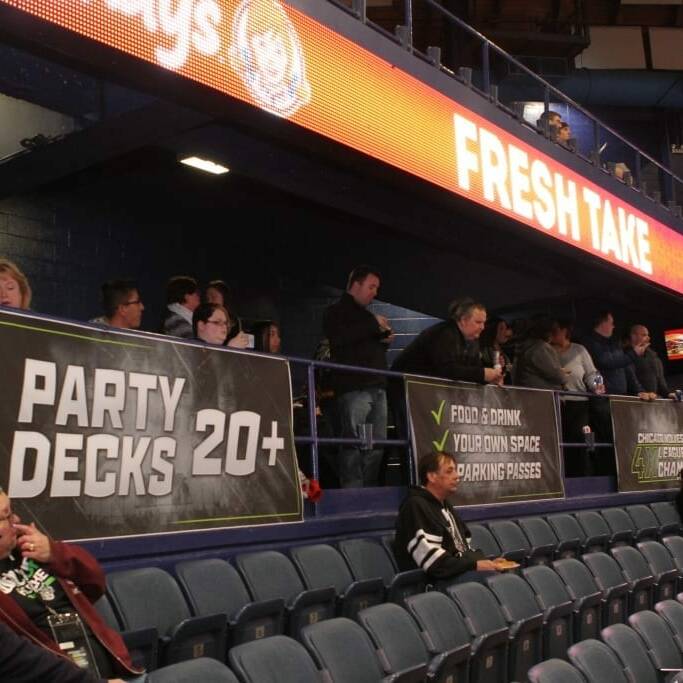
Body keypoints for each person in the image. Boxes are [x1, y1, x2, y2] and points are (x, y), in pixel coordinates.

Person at [0, 488, 142, 680]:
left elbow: (96, 584)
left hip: (116, 669)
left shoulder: (32, 548)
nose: (16, 520)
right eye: (6, 516)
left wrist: (54, 552)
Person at [323, 265, 393, 488]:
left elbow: (362, 345)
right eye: (371, 287)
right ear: (356, 285)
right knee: (353, 441)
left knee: (376, 443)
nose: (375, 292)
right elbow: (340, 339)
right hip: (354, 387)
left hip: (376, 385)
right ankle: (353, 489)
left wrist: (382, 342)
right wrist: (374, 325)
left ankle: (368, 486)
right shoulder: (336, 312)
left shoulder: (366, 317)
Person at [394, 452, 508, 585]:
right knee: (492, 580)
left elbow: (463, 549)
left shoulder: (445, 505)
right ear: (432, 476)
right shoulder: (415, 506)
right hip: (431, 583)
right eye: (449, 471)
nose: (457, 476)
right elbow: (433, 562)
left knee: (501, 574)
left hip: (454, 575)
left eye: (456, 470)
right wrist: (474, 565)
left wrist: (486, 563)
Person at [392, 298, 503, 385]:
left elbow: (471, 370)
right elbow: (447, 370)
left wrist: (490, 378)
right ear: (463, 320)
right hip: (405, 386)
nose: (483, 327)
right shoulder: (444, 334)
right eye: (478, 322)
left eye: (484, 323)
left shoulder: (472, 340)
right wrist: (482, 374)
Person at [550, 319, 603, 476]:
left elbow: (593, 373)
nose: (552, 333)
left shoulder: (579, 350)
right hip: (554, 405)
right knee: (558, 444)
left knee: (584, 442)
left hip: (579, 405)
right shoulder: (546, 350)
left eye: (555, 330)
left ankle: (587, 477)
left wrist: (597, 385)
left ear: (565, 331)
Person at [583, 311, 652, 400]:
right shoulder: (590, 342)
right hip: (602, 398)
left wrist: (640, 391)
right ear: (603, 323)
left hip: (620, 398)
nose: (613, 326)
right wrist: (634, 353)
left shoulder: (614, 344)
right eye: (611, 323)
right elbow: (606, 362)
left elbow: (626, 370)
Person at [513, 316, 567, 390]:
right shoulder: (540, 348)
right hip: (541, 397)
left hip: (530, 395)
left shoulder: (527, 346)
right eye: (554, 330)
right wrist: (562, 374)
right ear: (548, 331)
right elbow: (556, 375)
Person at [626, 324, 675, 399]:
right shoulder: (625, 356)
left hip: (652, 401)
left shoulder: (654, 357)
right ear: (633, 336)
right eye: (644, 335)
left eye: (648, 335)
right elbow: (630, 380)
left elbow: (660, 381)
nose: (648, 338)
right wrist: (641, 393)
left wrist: (668, 394)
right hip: (635, 400)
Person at [479, 317, 513, 383]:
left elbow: (509, 372)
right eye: (501, 329)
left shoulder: (507, 351)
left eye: (506, 328)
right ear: (492, 330)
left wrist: (505, 368)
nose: (505, 332)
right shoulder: (483, 351)